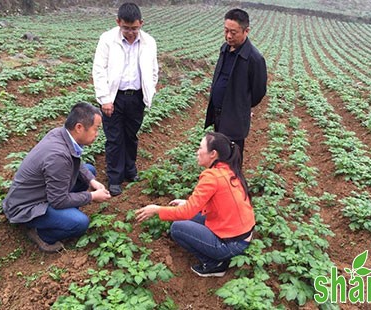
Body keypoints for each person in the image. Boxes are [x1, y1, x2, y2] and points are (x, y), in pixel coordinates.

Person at [135, 132, 255, 277]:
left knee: (178, 227)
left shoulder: (211, 177)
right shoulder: (228, 170)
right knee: (189, 216)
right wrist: (188, 203)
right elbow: (218, 202)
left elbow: (186, 213)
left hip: (232, 244)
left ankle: (214, 265)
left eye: (200, 148)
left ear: (213, 154)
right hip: (241, 235)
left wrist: (156, 210)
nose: (197, 152)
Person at [2, 102, 111, 253]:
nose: (97, 134)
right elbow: (58, 200)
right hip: (27, 207)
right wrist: (91, 196)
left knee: (89, 171)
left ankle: (62, 214)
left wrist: (92, 181)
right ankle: (42, 234)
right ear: (79, 127)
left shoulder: (60, 133)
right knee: (80, 223)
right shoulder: (58, 157)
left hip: (42, 193)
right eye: (95, 129)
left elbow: (75, 161)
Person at [92, 2, 158, 196]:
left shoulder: (149, 42)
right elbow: (99, 69)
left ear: (141, 24)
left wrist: (149, 91)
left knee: (131, 135)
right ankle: (114, 178)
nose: (130, 32)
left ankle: (130, 170)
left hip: (136, 97)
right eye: (126, 28)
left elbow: (154, 69)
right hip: (114, 97)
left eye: (134, 28)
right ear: (118, 22)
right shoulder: (107, 40)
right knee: (114, 138)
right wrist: (105, 98)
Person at [204, 8, 267, 160]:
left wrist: (240, 105)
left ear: (246, 31)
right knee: (218, 155)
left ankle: (233, 183)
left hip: (234, 119)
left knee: (232, 158)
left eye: (233, 32)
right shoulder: (225, 48)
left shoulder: (254, 58)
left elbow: (258, 92)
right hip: (218, 115)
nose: (228, 36)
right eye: (226, 31)